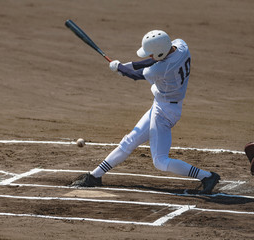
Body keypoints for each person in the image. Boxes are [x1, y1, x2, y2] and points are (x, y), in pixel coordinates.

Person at [70, 30, 220, 194]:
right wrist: (127, 65)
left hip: (164, 112)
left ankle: (206, 176)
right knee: (130, 140)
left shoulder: (162, 69)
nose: (150, 56)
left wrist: (119, 67)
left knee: (160, 161)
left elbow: (136, 75)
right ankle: (95, 176)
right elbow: (151, 61)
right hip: (164, 105)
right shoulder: (181, 45)